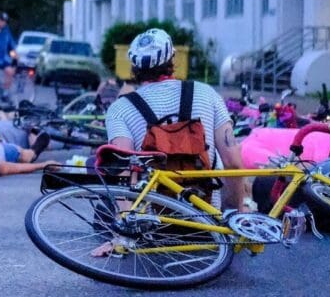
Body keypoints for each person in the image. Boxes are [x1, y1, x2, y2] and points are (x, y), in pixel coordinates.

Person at [105, 28, 250, 211]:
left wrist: (125, 230)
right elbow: (233, 163)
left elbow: (122, 172)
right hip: (206, 222)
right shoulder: (207, 94)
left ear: (134, 68)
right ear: (173, 59)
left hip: (151, 226)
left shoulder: (120, 109)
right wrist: (232, 213)